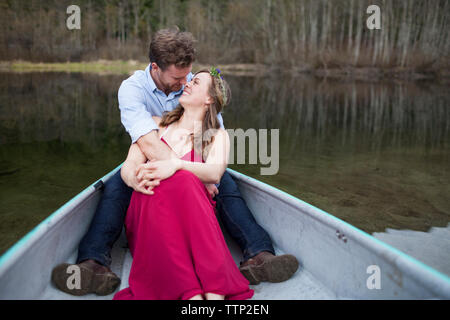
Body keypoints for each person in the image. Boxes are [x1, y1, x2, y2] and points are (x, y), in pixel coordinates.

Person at [51, 28, 299, 297]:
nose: (185, 82)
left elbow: (212, 130)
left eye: (189, 77)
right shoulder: (132, 89)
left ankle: (259, 255)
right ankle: (93, 262)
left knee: (226, 184)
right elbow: (145, 141)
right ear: (156, 67)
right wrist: (170, 172)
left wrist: (198, 174)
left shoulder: (195, 84)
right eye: (179, 78)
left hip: (191, 158)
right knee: (115, 187)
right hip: (153, 155)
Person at [114, 69, 253, 300]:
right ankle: (195, 296)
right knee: (181, 180)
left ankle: (209, 294)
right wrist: (135, 179)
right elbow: (129, 166)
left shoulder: (216, 136)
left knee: (184, 180)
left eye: (195, 82)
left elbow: (215, 172)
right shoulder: (156, 126)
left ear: (209, 98)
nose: (187, 84)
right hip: (148, 208)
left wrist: (175, 165)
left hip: (192, 218)